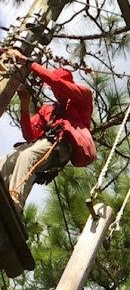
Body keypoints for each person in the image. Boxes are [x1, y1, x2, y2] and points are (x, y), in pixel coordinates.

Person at [0, 50, 96, 213]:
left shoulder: (83, 97)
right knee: (7, 160)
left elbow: (56, 82)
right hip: (44, 143)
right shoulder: (49, 110)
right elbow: (29, 135)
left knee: (28, 156)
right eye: (54, 90)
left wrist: (28, 63)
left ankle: (15, 200)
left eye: (59, 88)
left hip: (62, 145)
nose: (56, 92)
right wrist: (25, 104)